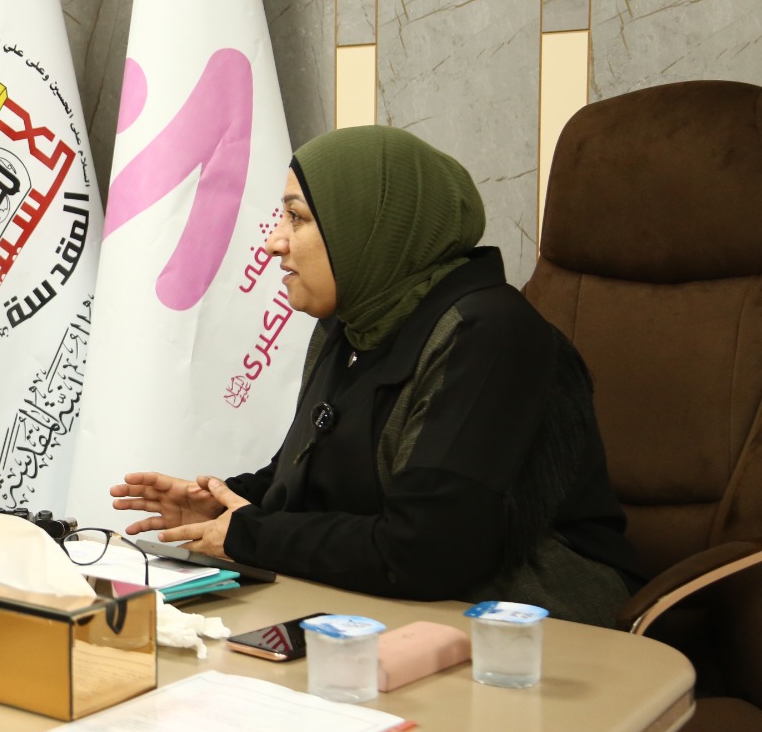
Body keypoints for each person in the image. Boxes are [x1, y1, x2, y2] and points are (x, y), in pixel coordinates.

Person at [111, 126, 641, 626]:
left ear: (370, 223)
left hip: (537, 619)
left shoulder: (489, 334)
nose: (273, 242)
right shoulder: (352, 325)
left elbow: (427, 549)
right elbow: (313, 477)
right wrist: (226, 503)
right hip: (395, 604)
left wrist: (250, 534)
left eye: (296, 218)